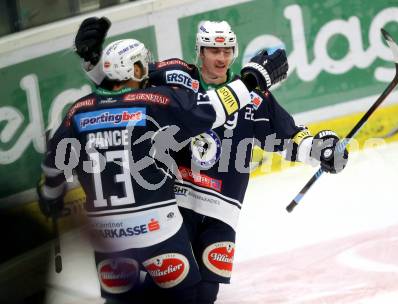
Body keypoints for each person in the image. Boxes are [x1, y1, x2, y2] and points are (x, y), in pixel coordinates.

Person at [73, 17, 348, 303]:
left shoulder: (255, 98)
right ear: (200, 52)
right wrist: (93, 62)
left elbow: (288, 137)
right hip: (175, 202)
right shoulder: (174, 76)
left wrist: (323, 149)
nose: (222, 57)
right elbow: (122, 87)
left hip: (222, 210)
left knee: (205, 293)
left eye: (227, 50)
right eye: (214, 51)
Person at [37, 36, 288, 304]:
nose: (149, 68)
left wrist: (50, 197)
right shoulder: (153, 101)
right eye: (143, 64)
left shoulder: (77, 111)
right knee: (191, 297)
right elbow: (210, 110)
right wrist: (252, 80)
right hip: (156, 228)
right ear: (133, 70)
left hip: (107, 237)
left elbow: (53, 168)